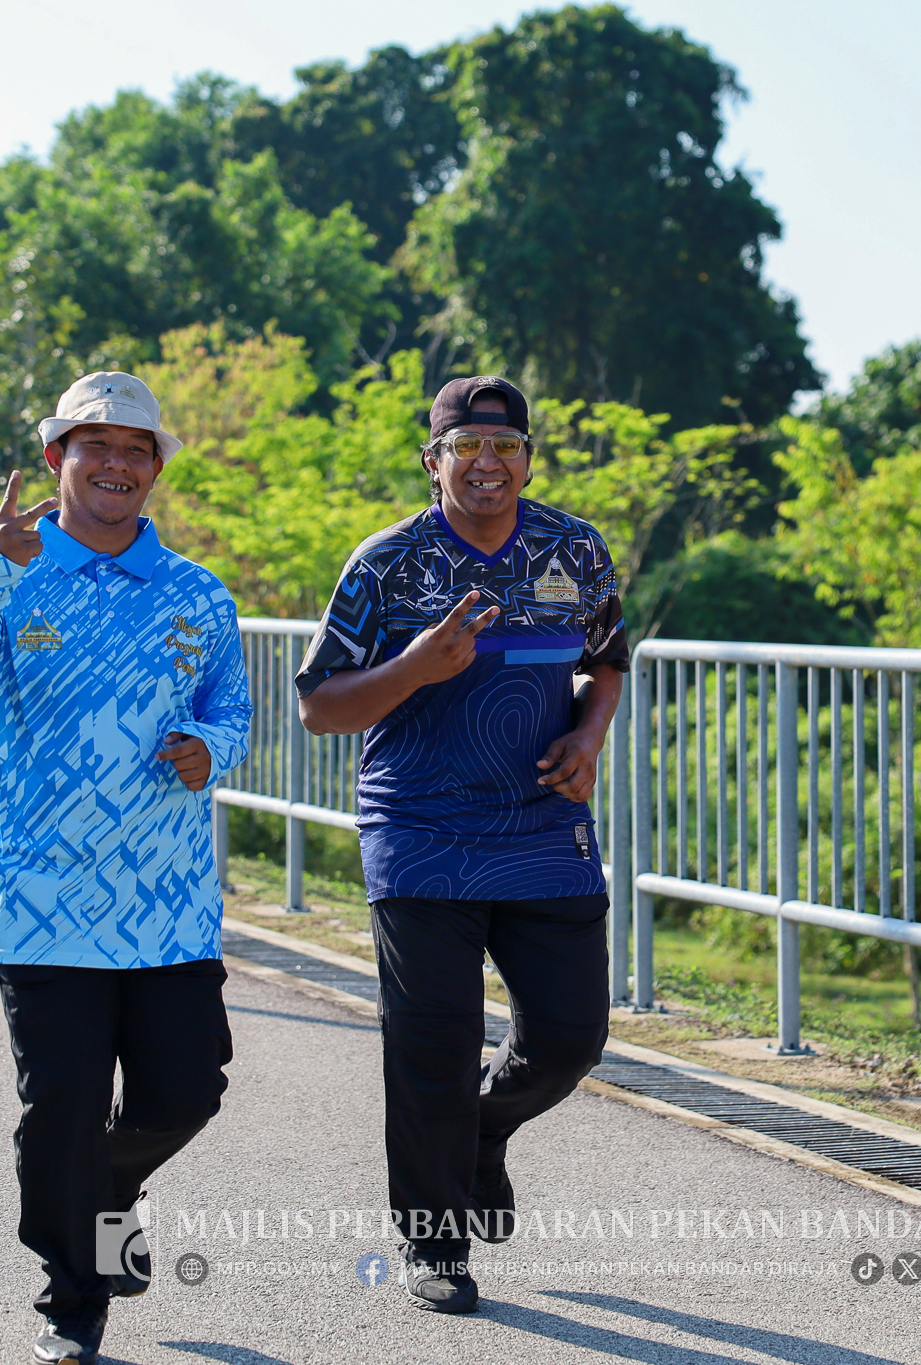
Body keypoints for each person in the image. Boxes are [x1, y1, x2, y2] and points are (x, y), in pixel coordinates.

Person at [0, 372, 252, 1364]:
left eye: (134, 449)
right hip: (45, 901)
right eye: (92, 445)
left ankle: (106, 1195)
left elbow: (231, 706)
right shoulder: (10, 570)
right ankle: (71, 1297)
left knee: (185, 1092)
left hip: (169, 903)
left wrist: (209, 747)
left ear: (153, 470)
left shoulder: (197, 593)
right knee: (59, 1105)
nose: (114, 464)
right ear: (58, 460)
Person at [294, 375, 628, 1314]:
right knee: (432, 1044)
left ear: (527, 456)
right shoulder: (388, 563)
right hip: (419, 828)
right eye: (467, 448)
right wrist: (415, 666)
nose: (489, 464)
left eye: (507, 447)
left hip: (541, 823)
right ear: (433, 459)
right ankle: (433, 1241)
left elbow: (606, 658)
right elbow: (320, 705)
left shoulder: (574, 546)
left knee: (570, 1035)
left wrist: (588, 734)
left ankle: (482, 1131)